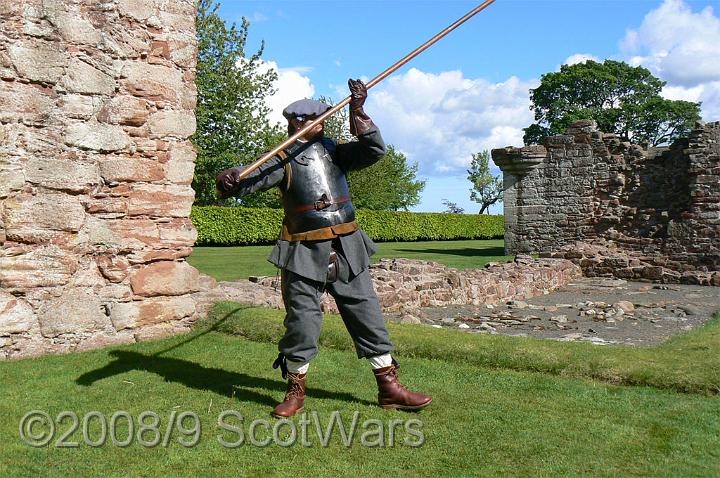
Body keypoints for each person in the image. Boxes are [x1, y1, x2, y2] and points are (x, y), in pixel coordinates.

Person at [216, 79, 432, 418]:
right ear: (291, 122)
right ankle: (295, 391)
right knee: (302, 323)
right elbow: (249, 182)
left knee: (367, 316)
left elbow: (374, 150)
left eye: (310, 119)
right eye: (297, 120)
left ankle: (389, 387)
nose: (302, 124)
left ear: (322, 120)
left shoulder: (337, 151)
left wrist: (358, 112)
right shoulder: (281, 157)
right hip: (302, 253)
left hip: (347, 245)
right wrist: (230, 179)